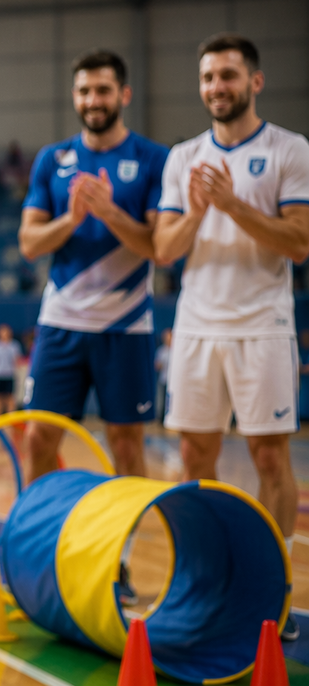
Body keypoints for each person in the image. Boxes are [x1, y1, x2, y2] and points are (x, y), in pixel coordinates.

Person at [153, 33, 309, 642]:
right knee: (196, 457)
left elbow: (299, 242)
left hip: (263, 325)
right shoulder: (183, 157)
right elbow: (164, 250)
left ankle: (274, 590)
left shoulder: (289, 149)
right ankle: (211, 581)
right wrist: (198, 210)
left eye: (228, 76)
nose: (217, 86)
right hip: (196, 324)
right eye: (208, 77)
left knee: (270, 458)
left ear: (255, 82)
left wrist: (232, 203)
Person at [18, 50, 169, 490]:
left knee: (126, 446)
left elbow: (158, 247)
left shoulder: (153, 158)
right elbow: (29, 243)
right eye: (84, 91)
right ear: (74, 96)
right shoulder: (53, 159)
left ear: (124, 94)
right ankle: (41, 529)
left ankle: (128, 532)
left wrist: (109, 211)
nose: (93, 100)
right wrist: (72, 219)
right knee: (39, 438)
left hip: (126, 325)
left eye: (103, 90)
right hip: (61, 321)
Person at [0, 324, 22, 418]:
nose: (4, 333)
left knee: (10, 398)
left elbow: (17, 360)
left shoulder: (14, 345)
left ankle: (11, 420)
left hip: (9, 375)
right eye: (2, 331)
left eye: (6, 331)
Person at [154, 328, 172, 422]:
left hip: (172, 381)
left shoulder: (176, 350)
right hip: (163, 380)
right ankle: (160, 419)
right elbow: (156, 365)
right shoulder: (161, 351)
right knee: (162, 400)